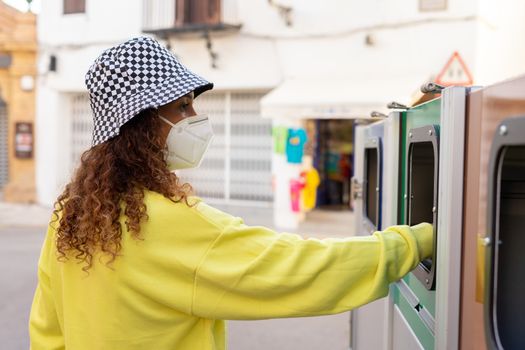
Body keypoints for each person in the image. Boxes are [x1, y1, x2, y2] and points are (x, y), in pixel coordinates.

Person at [29, 37, 433, 350]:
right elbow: (298, 269)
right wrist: (416, 241)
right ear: (141, 125)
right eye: (182, 107)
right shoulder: (165, 222)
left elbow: (47, 330)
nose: (195, 118)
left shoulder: (70, 213)